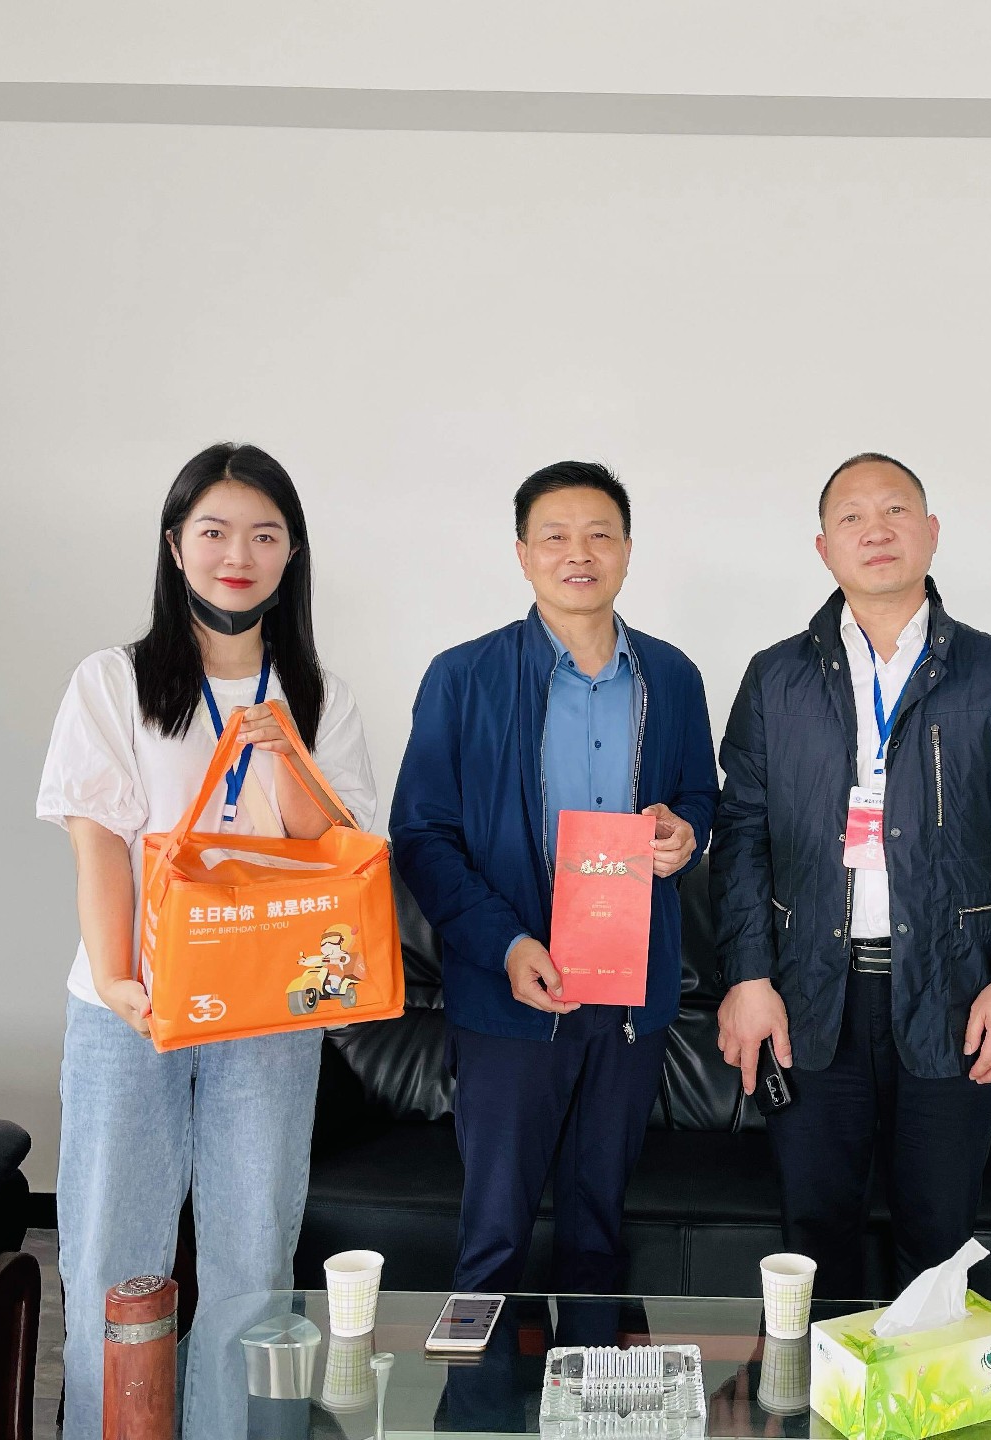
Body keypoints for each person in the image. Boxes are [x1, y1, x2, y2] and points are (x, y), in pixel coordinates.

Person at [37, 443, 376, 1439]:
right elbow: (98, 843)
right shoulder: (113, 680)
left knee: (252, 1263)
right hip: (129, 1013)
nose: (239, 555)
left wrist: (288, 756)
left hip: (266, 1014)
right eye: (216, 531)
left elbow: (336, 858)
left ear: (292, 554)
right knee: (111, 1260)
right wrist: (118, 979)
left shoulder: (321, 695)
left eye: (265, 535)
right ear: (175, 544)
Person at [713, 453, 991, 1296]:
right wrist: (748, 975)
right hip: (810, 992)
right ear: (823, 547)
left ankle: (929, 1385)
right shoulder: (776, 677)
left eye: (896, 511)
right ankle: (812, 1383)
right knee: (811, 1238)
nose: (875, 530)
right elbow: (740, 835)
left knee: (939, 1237)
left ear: (932, 532)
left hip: (955, 991)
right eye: (851, 517)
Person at [390, 461, 717, 1292]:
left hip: (630, 997)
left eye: (600, 534)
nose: (580, 553)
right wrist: (505, 945)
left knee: (599, 1230)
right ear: (522, 554)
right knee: (493, 1238)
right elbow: (422, 835)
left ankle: (593, 1374)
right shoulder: (462, 676)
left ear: (628, 550)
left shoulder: (672, 677)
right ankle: (482, 1377)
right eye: (556, 536)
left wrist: (685, 833)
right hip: (509, 992)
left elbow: (697, 799)